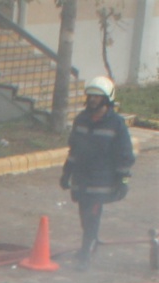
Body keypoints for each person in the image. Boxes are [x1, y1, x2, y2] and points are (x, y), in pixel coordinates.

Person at [60, 76, 135, 271]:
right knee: (84, 215)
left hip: (101, 181)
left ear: (107, 99)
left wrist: (123, 180)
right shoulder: (81, 120)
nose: (92, 99)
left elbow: (124, 155)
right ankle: (90, 241)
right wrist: (66, 172)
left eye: (97, 96)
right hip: (81, 179)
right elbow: (74, 150)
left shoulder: (116, 124)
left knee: (92, 214)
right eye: (90, 95)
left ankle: (86, 252)